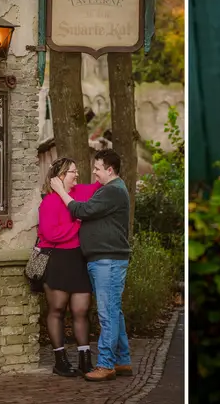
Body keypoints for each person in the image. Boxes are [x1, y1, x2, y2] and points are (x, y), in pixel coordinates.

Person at [49, 149, 133, 382]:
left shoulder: (113, 191)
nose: (93, 173)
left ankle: (106, 365)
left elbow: (81, 210)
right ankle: (122, 360)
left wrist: (60, 192)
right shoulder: (110, 190)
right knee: (114, 312)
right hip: (104, 260)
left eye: (97, 168)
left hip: (108, 261)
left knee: (107, 314)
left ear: (109, 169)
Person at [35, 158, 100, 377]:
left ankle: (84, 360)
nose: (78, 175)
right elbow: (51, 234)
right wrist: (79, 224)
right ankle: (60, 361)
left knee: (82, 309)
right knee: (58, 309)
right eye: (73, 171)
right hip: (57, 259)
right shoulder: (49, 202)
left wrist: (103, 167)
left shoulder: (80, 193)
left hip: (78, 259)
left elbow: (103, 183)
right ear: (61, 176)